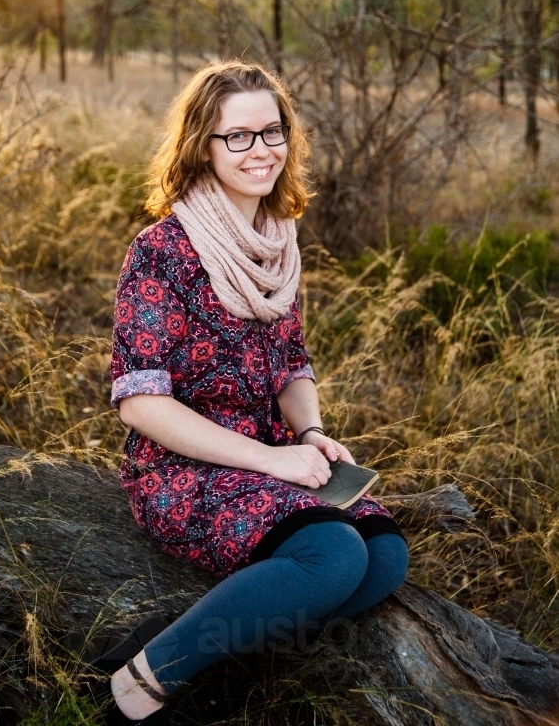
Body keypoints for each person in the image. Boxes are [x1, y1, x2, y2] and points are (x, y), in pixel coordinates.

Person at [106, 62, 408, 724]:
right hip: (182, 467)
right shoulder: (162, 251)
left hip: (270, 451)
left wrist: (307, 433)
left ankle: (210, 642)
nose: (260, 149)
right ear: (201, 147)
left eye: (270, 131)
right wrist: (272, 462)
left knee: (384, 556)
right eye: (236, 136)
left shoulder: (277, 242)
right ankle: (141, 682)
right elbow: (140, 402)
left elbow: (291, 363)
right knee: (331, 553)